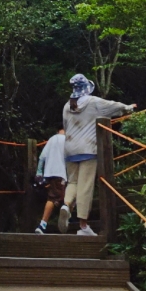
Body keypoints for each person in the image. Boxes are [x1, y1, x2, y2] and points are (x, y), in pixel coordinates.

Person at [60, 74, 135, 236]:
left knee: (73, 181)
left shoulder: (67, 106)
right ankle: (83, 226)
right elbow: (113, 106)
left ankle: (66, 205)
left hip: (70, 149)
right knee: (85, 186)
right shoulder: (93, 102)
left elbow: (65, 127)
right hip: (88, 149)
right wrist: (128, 108)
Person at [33, 128, 66, 234]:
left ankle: (65, 217)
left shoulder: (51, 139)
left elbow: (42, 156)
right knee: (54, 198)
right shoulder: (67, 140)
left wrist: (39, 172)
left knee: (56, 196)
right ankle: (43, 224)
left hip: (49, 173)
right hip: (61, 172)